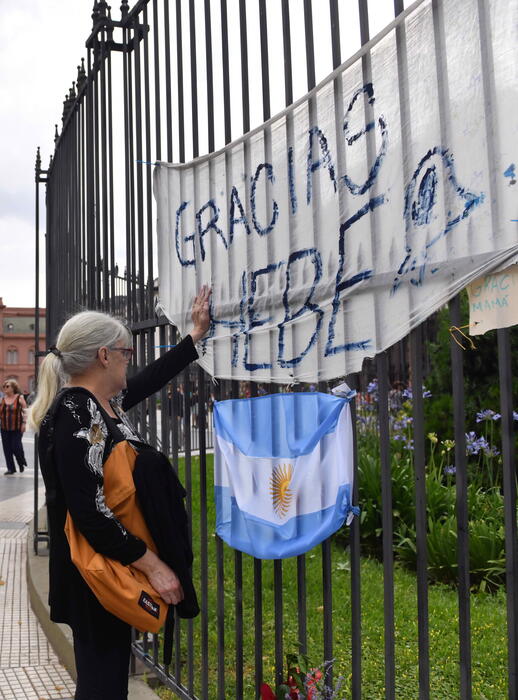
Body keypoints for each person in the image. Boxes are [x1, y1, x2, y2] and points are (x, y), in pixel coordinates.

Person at [29, 285, 211, 700]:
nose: (131, 360)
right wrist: (155, 568)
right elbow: (91, 513)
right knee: (103, 686)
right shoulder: (76, 412)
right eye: (126, 352)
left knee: (106, 681)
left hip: (106, 570)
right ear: (103, 356)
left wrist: (194, 338)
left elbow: (151, 378)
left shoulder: (101, 404)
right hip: (93, 576)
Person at [1, 378, 28, 475]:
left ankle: (21, 462)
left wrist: (24, 423)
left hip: (17, 427)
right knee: (7, 449)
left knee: (16, 447)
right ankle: (11, 468)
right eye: (4, 386)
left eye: (7, 386)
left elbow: (25, 411)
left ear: (13, 387)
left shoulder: (19, 398)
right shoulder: (2, 399)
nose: (5, 388)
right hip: (4, 428)